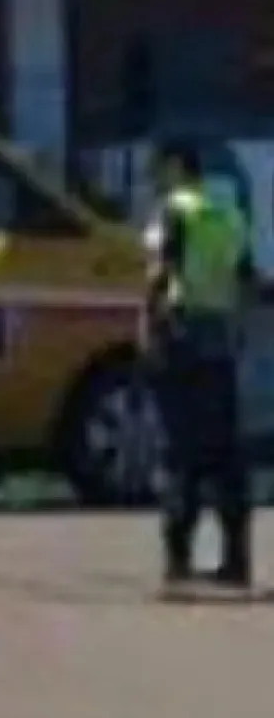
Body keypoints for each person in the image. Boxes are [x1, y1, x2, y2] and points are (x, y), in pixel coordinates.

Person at [143, 138, 254, 592]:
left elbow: (160, 273)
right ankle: (236, 559)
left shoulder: (174, 210)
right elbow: (244, 275)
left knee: (178, 447)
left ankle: (178, 560)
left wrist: (148, 328)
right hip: (219, 338)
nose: (156, 178)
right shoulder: (228, 213)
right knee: (224, 451)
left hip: (181, 333)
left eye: (160, 169)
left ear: (176, 167)